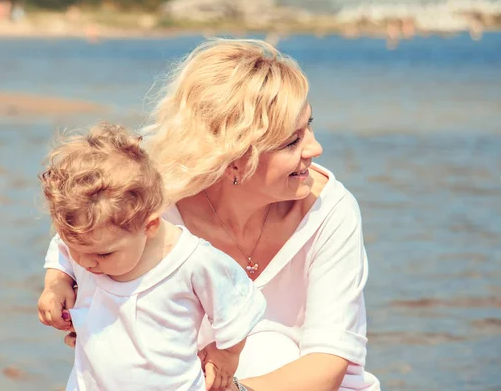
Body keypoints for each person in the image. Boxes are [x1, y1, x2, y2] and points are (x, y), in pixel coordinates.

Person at [39, 38, 381, 391]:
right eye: (292, 141)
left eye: (309, 126)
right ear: (233, 156)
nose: (315, 148)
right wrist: (75, 301)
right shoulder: (148, 207)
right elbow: (77, 245)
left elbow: (328, 364)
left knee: (264, 348)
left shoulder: (331, 210)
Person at [39, 123, 266, 390]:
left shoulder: (192, 261)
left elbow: (238, 306)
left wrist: (226, 354)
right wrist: (56, 282)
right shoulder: (89, 239)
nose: (86, 263)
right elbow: (62, 247)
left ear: (150, 226)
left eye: (103, 253)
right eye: (76, 250)